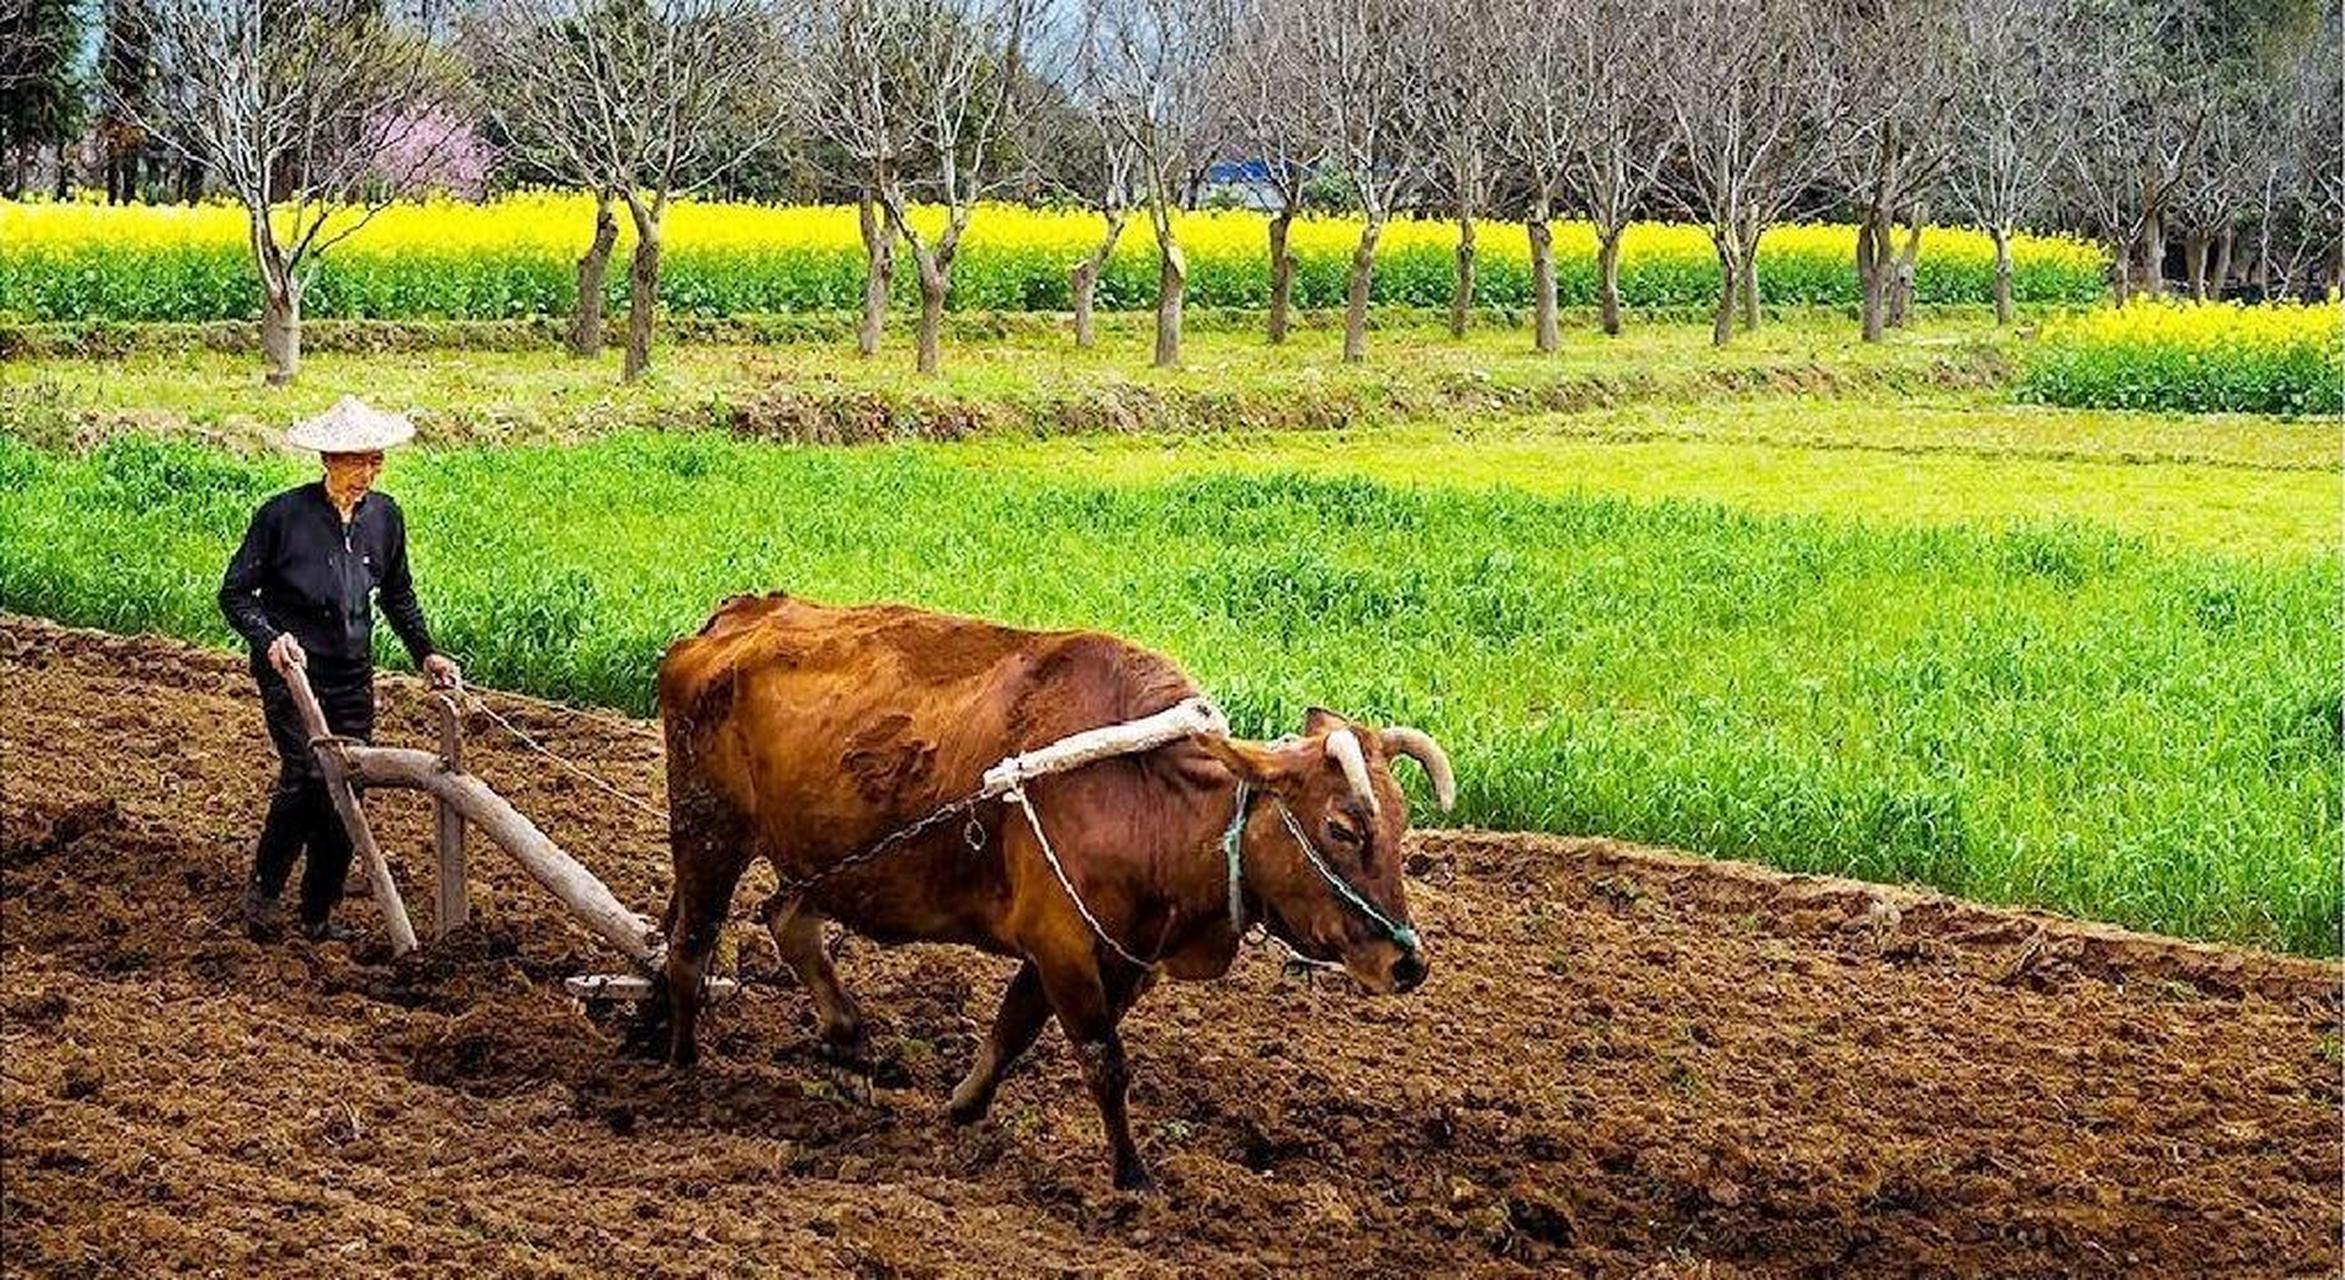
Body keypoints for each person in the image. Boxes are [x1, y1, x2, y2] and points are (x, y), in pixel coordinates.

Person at [218, 397, 461, 943]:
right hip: (293, 672)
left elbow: (398, 595)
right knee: (306, 777)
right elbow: (235, 594)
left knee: (347, 784)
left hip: (353, 674)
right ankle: (264, 895)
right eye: (357, 462)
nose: (368, 474)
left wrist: (426, 652)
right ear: (328, 459)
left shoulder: (385, 517)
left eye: (376, 461)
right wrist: (270, 638)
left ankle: (318, 912)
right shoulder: (282, 516)